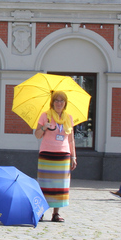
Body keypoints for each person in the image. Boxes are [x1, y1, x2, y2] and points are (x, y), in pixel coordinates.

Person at [34, 91, 76, 222]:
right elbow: (37, 135)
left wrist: (73, 156)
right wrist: (43, 128)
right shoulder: (45, 116)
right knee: (44, 184)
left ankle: (56, 213)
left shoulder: (68, 118)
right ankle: (41, 212)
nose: (59, 103)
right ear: (52, 103)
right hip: (47, 154)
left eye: (61, 101)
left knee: (60, 185)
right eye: (56, 101)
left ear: (65, 103)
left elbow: (71, 140)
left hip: (63, 155)